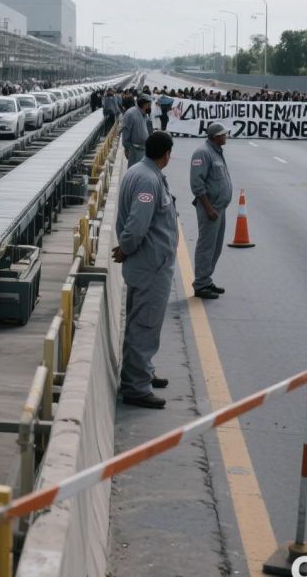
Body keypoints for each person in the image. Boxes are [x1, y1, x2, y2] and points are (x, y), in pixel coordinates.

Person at [112, 131, 178, 409]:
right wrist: (125, 247)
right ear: (166, 154)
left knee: (143, 322)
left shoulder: (142, 171)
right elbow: (138, 223)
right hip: (150, 265)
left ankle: (143, 371)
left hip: (148, 263)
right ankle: (136, 387)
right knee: (145, 324)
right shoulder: (149, 181)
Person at [189, 122, 233, 300]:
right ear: (215, 136)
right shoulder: (203, 153)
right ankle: (200, 283)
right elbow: (197, 184)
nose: (225, 136)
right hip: (210, 209)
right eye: (223, 134)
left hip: (219, 208)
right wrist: (208, 208)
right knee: (206, 246)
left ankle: (206, 279)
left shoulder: (216, 152)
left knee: (215, 247)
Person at [122, 93, 151, 167]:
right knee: (135, 172)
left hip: (145, 150)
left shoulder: (145, 114)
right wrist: (127, 148)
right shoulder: (131, 114)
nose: (150, 106)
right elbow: (126, 132)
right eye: (148, 104)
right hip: (135, 151)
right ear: (143, 104)